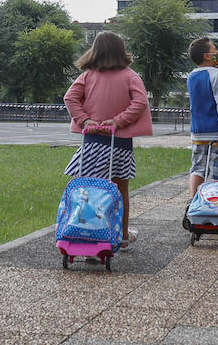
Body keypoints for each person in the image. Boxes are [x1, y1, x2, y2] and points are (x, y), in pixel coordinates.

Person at [63, 31, 152, 247]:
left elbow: (70, 98)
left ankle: (87, 229)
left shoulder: (87, 76)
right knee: (120, 189)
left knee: (90, 188)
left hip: (93, 143)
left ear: (95, 51)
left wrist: (85, 121)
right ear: (121, 51)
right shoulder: (130, 75)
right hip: (120, 142)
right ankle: (121, 234)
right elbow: (140, 102)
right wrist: (118, 121)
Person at [185, 37, 218, 194]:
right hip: (217, 132)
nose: (217, 52)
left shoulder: (191, 76)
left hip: (198, 132)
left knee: (198, 168)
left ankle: (193, 202)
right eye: (214, 49)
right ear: (207, 56)